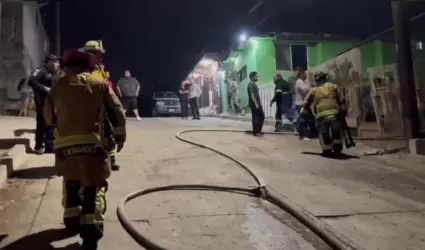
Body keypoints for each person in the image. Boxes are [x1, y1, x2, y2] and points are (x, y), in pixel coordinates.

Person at [43, 48, 126, 249]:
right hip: (93, 144)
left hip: (64, 146)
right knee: (93, 185)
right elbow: (117, 112)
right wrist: (120, 137)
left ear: (67, 67)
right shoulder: (100, 84)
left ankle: (71, 220)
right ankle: (91, 231)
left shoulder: (57, 86)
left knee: (70, 181)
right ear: (89, 67)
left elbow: (48, 116)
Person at [79, 40, 121, 171]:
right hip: (85, 108)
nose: (99, 57)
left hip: (101, 106)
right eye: (97, 54)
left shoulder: (99, 69)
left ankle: (111, 158)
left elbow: (105, 86)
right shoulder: (78, 70)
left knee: (108, 133)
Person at [300, 72, 345, 156]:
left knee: (323, 133)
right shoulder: (333, 86)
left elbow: (306, 102)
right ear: (325, 79)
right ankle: (337, 146)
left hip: (321, 115)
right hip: (335, 113)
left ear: (317, 81)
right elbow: (341, 98)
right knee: (337, 131)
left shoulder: (314, 90)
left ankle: (326, 149)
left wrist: (303, 111)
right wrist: (343, 109)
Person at [27, 54, 60, 154]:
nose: (58, 64)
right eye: (55, 62)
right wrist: (45, 88)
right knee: (41, 123)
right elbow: (31, 81)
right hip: (42, 102)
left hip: (51, 103)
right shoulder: (40, 71)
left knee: (51, 124)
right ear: (49, 62)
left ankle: (50, 146)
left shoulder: (53, 74)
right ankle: (39, 146)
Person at [294, 69, 317, 140]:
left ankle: (313, 134)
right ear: (301, 74)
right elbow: (304, 90)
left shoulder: (302, 82)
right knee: (303, 119)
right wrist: (311, 87)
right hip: (301, 104)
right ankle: (303, 135)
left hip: (303, 103)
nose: (306, 75)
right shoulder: (299, 82)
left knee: (311, 118)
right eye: (305, 74)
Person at [248, 71, 265, 136]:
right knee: (257, 117)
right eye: (256, 76)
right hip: (254, 104)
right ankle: (256, 131)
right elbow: (252, 95)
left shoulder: (254, 85)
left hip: (257, 103)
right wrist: (256, 104)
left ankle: (257, 131)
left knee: (260, 117)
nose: (257, 77)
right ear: (253, 77)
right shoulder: (251, 85)